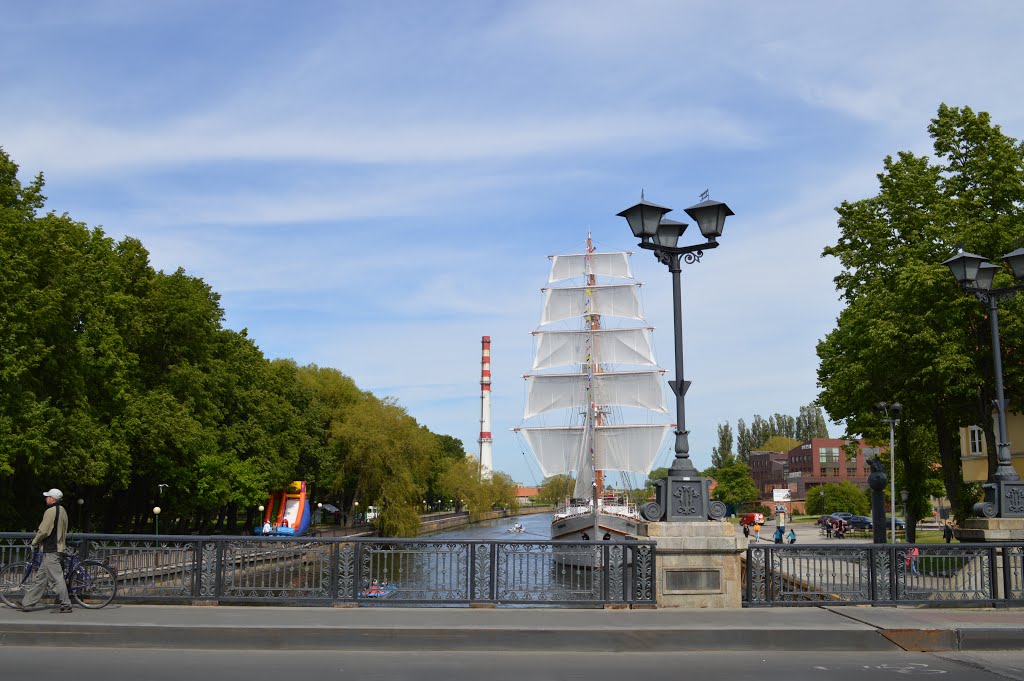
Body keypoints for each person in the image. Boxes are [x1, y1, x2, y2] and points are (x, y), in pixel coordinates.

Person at [20, 488, 72, 613]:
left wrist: (34, 541)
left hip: (51, 549)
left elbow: (43, 530)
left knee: (56, 578)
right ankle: (27, 603)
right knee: (41, 579)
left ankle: (66, 604)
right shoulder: (63, 511)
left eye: (48, 496)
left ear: (53, 499)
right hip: (57, 547)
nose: (46, 498)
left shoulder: (50, 511)